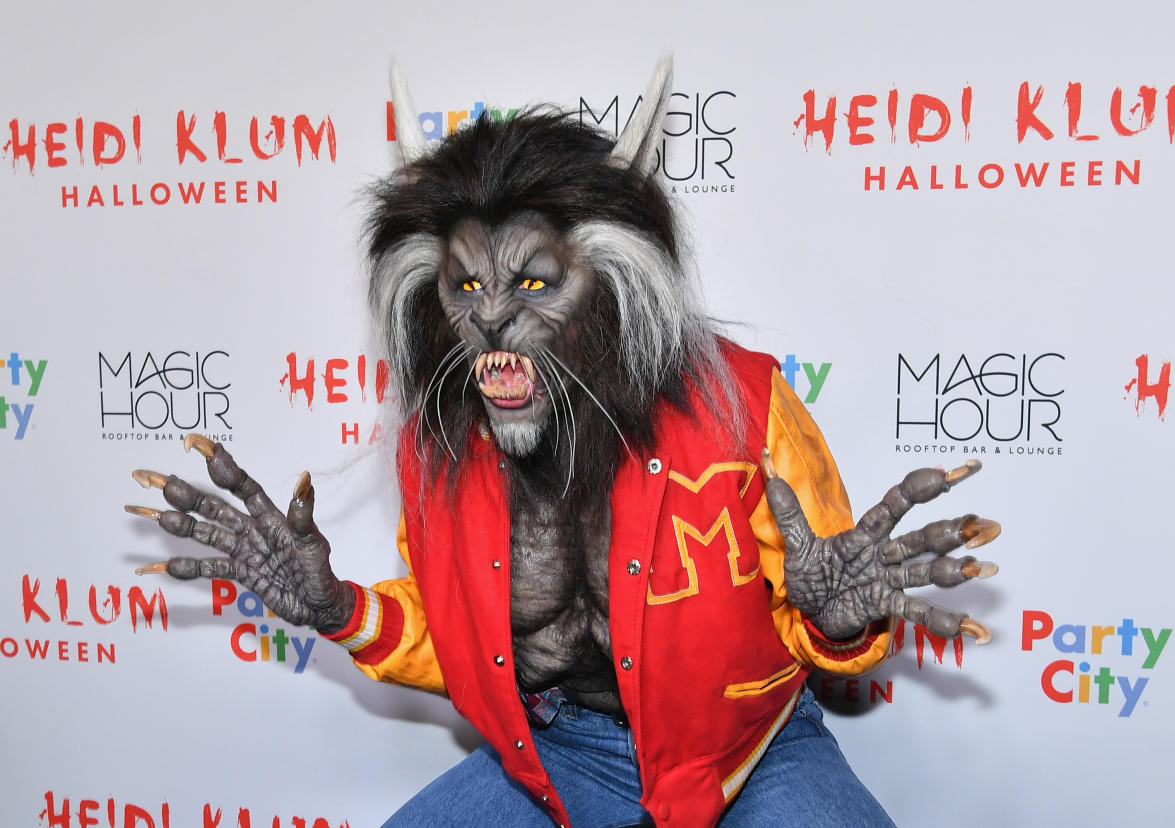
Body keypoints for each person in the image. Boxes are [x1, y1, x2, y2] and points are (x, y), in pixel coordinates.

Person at [127, 58, 999, 827]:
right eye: (466, 284)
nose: (494, 313)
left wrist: (838, 620)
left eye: (533, 281)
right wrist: (340, 611)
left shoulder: (744, 401)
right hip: (556, 758)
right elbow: (462, 633)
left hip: (747, 753)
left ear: (608, 282)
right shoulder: (442, 442)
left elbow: (823, 602)